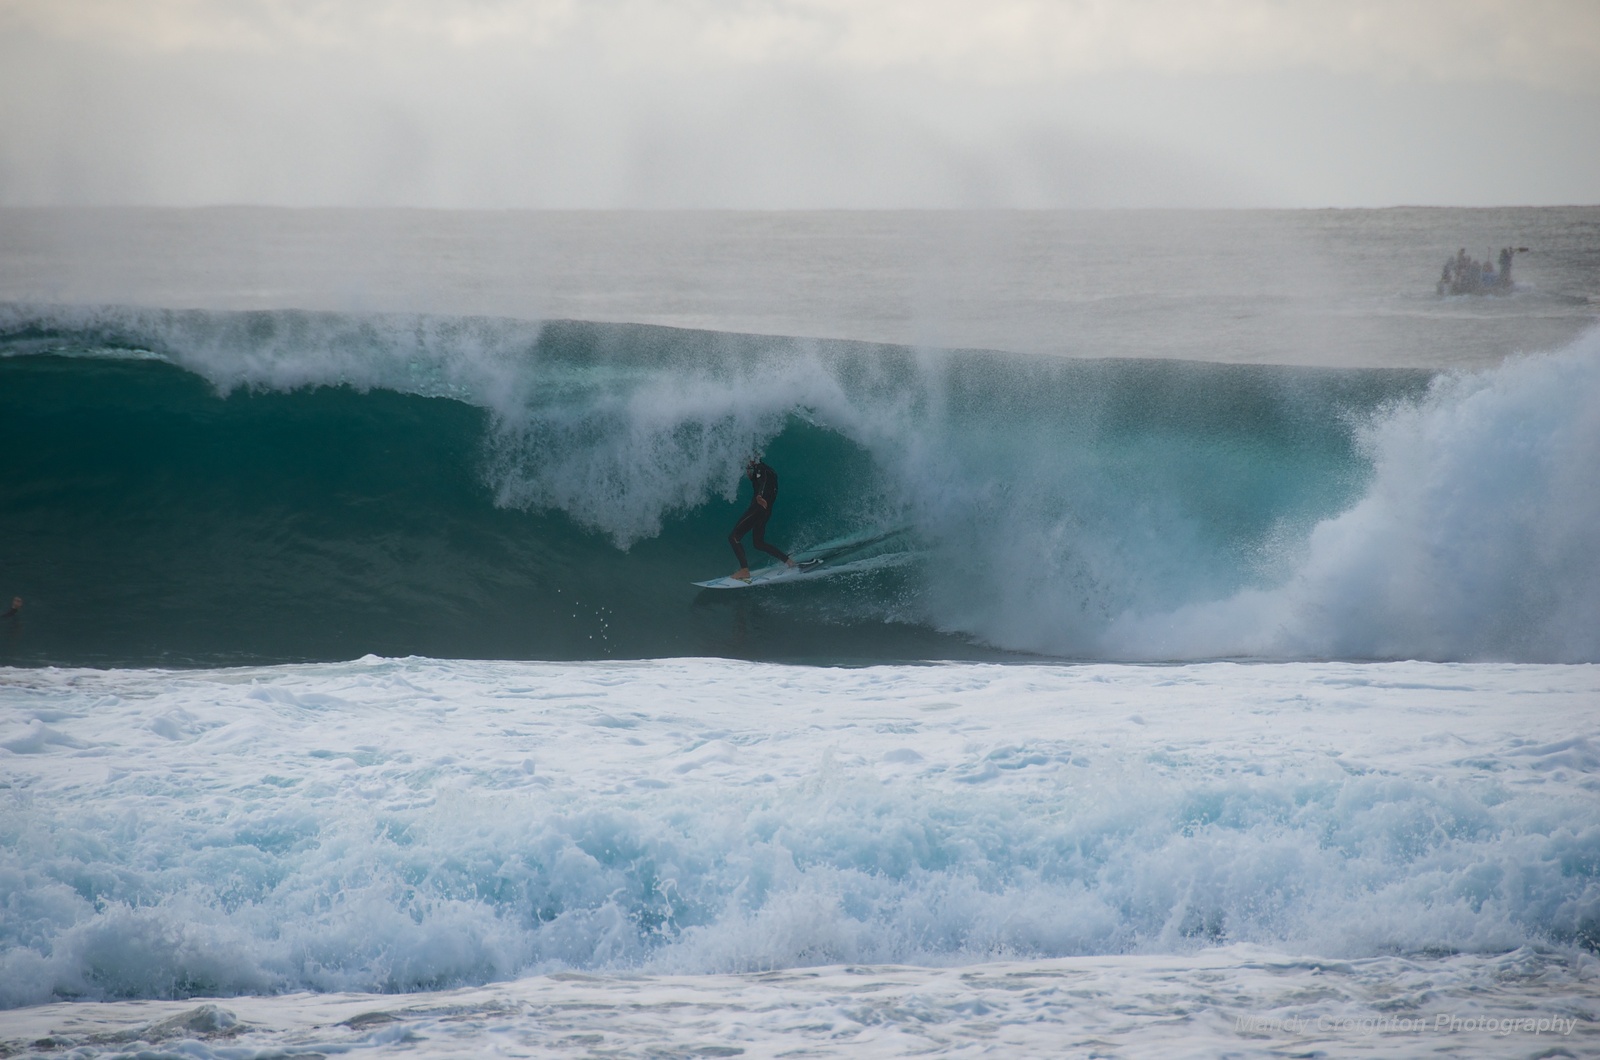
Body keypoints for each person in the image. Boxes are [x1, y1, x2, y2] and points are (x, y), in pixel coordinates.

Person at [728, 456, 795, 581]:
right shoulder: (770, 470)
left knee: (733, 537)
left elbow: (763, 480)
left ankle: (744, 570)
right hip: (766, 511)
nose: (746, 462)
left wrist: (759, 495)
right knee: (758, 543)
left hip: (758, 508)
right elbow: (768, 484)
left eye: (748, 459)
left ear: (754, 459)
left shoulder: (760, 469)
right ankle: (788, 561)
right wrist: (753, 479)